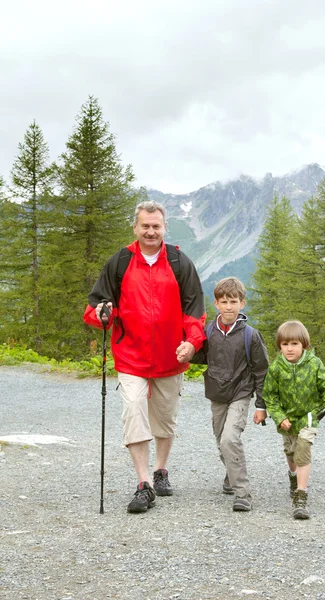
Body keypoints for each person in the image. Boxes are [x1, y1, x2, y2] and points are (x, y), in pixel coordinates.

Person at [84, 201, 206, 514]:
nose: (150, 231)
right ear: (136, 228)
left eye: (156, 226)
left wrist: (192, 343)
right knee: (133, 410)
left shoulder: (180, 262)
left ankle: (160, 470)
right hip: (131, 356)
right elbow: (97, 308)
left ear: (164, 228)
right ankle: (143, 484)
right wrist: (102, 315)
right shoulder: (121, 262)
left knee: (164, 419)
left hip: (170, 356)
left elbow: (194, 310)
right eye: (145, 226)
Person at [178, 277, 269, 512]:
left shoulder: (251, 336)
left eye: (233, 301)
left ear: (242, 304)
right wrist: (187, 353)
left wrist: (261, 404)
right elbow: (202, 357)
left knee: (230, 439)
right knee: (221, 442)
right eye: (224, 301)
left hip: (240, 393)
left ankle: (243, 493)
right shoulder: (209, 331)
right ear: (216, 304)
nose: (229, 306)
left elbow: (261, 372)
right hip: (217, 394)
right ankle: (231, 473)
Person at [259, 320, 325, 519]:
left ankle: (301, 495)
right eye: (285, 344)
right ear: (279, 345)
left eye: (294, 344)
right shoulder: (276, 368)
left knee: (303, 449)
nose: (289, 349)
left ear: (304, 344)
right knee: (291, 452)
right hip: (287, 419)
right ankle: (293, 477)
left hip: (309, 417)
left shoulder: (314, 363)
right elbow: (270, 396)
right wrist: (279, 418)